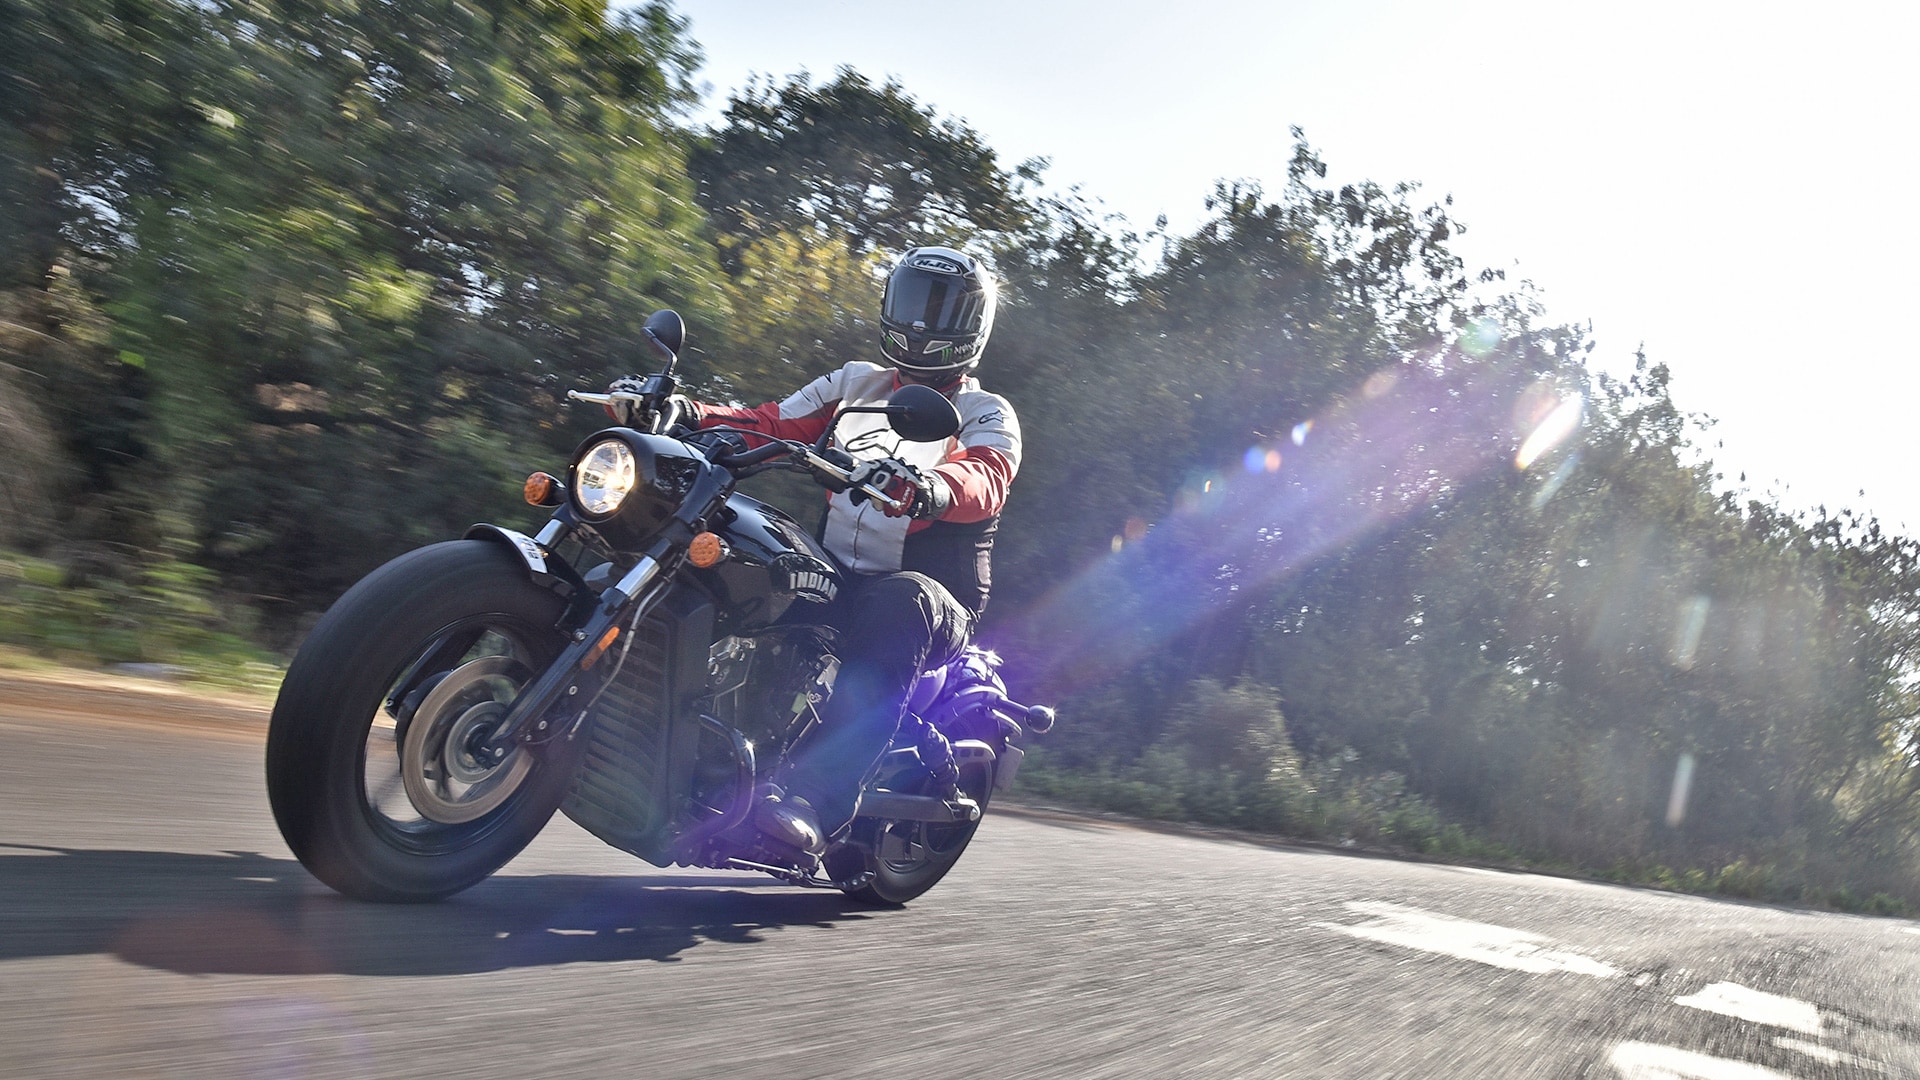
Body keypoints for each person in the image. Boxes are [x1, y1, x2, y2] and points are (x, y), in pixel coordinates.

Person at [681, 246, 1021, 855]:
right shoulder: (853, 383)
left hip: (933, 596)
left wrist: (930, 487)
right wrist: (687, 412)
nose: (921, 323)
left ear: (971, 325)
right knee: (742, 547)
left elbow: (985, 475)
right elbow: (769, 422)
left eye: (940, 311)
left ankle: (819, 798)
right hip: (835, 572)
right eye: (914, 304)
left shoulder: (986, 411)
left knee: (901, 602)